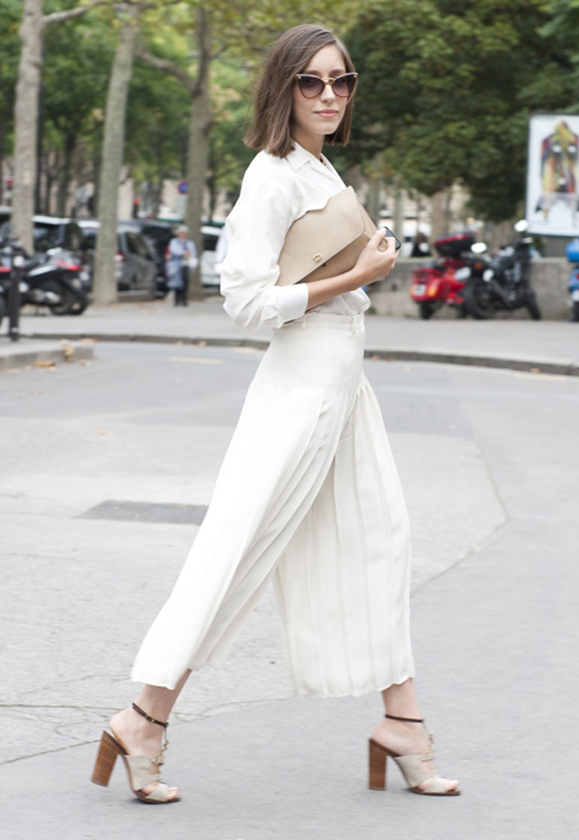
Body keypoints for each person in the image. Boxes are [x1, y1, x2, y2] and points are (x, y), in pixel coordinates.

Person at [91, 24, 460, 804]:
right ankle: (143, 716)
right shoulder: (272, 174)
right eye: (311, 82)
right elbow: (245, 301)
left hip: (340, 383)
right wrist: (356, 273)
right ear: (283, 87)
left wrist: (361, 270)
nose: (329, 95)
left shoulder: (316, 165)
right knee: (240, 551)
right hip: (301, 384)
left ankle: (403, 722)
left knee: (378, 540)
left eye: (342, 82)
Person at [166, 225, 197, 306]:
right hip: (176, 264)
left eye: (184, 233)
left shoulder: (189, 243)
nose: (183, 235)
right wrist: (184, 253)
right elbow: (174, 250)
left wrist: (188, 254)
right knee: (176, 282)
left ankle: (184, 299)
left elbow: (193, 253)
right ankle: (176, 299)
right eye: (181, 233)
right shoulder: (174, 242)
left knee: (185, 281)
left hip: (185, 264)